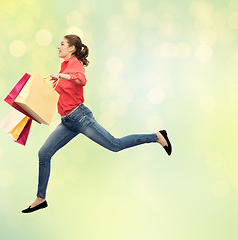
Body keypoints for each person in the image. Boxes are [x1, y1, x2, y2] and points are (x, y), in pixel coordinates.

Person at [21, 34, 172, 213]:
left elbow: (81, 79)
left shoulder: (74, 63)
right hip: (67, 121)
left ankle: (157, 136)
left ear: (72, 49)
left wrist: (61, 76)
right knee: (44, 153)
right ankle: (41, 198)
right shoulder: (65, 65)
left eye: (62, 44)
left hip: (81, 118)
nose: (58, 47)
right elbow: (65, 91)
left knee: (115, 144)